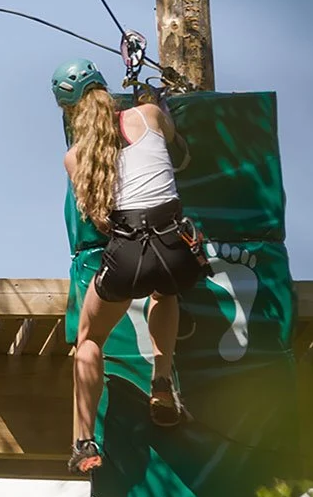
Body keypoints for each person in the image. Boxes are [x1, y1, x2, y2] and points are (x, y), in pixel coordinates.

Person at [54, 56, 209, 475]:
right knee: (167, 288)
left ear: (69, 111)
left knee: (88, 339)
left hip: (127, 253)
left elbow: (101, 220)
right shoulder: (150, 115)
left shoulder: (75, 158)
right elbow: (172, 137)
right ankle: (162, 382)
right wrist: (151, 98)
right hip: (178, 247)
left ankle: (84, 442)